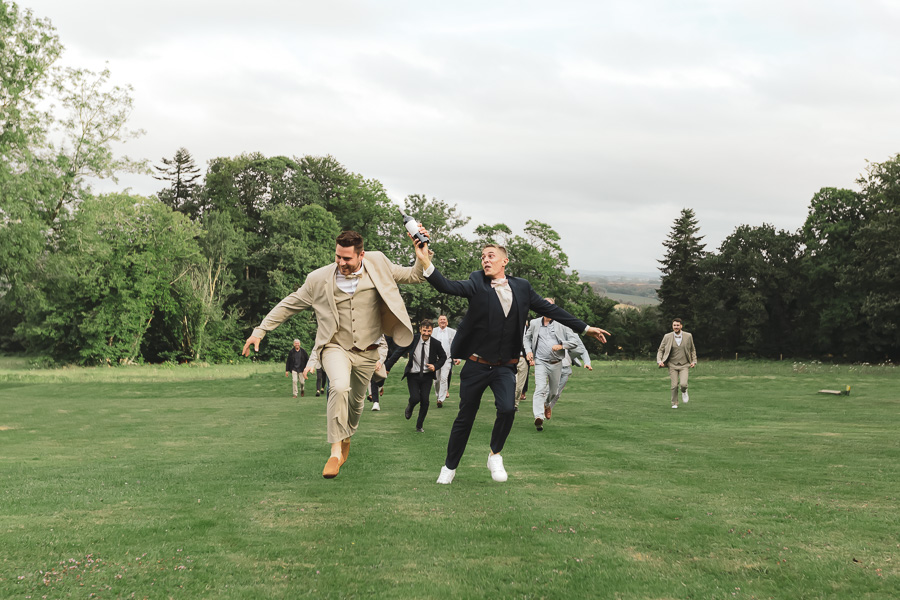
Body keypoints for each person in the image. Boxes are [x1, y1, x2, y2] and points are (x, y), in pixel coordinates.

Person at [414, 241, 609, 484]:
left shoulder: (522, 287)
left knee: (508, 409)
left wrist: (586, 328)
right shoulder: (476, 282)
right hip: (476, 365)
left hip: (505, 366)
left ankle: (495, 454)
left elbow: (553, 309)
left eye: (491, 256)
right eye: (482, 256)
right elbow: (447, 286)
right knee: (465, 418)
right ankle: (449, 466)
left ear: (504, 261)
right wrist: (424, 261)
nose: (485, 260)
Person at [242, 228, 430, 479]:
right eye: (337, 257)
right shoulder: (318, 279)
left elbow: (416, 275)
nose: (341, 263)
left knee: (356, 404)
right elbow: (290, 303)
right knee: (338, 387)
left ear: (361, 255)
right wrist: (260, 330)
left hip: (368, 351)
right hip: (335, 346)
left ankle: (346, 437)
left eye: (347, 259)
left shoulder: (380, 263)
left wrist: (422, 255)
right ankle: (334, 452)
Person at [524, 299, 581, 431]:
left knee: (554, 392)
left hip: (556, 363)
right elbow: (526, 338)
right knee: (540, 388)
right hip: (540, 361)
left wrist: (561, 345)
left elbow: (574, 342)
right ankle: (538, 417)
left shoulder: (563, 324)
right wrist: (528, 352)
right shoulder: (534, 323)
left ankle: (547, 404)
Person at [385, 319, 447, 432]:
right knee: (415, 398)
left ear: (432, 331)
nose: (426, 333)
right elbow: (398, 352)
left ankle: (419, 425)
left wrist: (435, 366)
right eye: (424, 330)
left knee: (425, 401)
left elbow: (443, 357)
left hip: (427, 375)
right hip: (413, 375)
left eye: (429, 331)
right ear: (420, 329)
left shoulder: (436, 343)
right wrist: (387, 367)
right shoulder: (413, 340)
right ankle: (410, 406)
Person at [544, 336, 592, 419]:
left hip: (566, 368)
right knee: (550, 390)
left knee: (557, 394)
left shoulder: (573, 335)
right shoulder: (551, 333)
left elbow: (583, 350)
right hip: (554, 366)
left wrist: (587, 362)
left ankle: (547, 408)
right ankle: (540, 414)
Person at [656, 318, 697, 409]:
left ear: (681, 326)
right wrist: (660, 361)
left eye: (678, 325)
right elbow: (661, 350)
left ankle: (684, 391)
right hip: (672, 364)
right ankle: (674, 403)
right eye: (674, 325)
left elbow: (692, 350)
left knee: (683, 384)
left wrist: (694, 361)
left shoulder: (688, 336)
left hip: (684, 364)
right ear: (672, 326)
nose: (676, 327)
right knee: (674, 385)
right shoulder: (667, 336)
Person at [431, 315, 459, 407]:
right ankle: (438, 395)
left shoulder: (452, 332)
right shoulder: (433, 331)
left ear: (447, 322)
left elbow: (457, 345)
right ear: (438, 322)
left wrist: (458, 358)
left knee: (444, 378)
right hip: (435, 360)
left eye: (444, 320)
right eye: (441, 319)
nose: (442, 321)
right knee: (436, 380)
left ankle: (440, 399)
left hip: (447, 359)